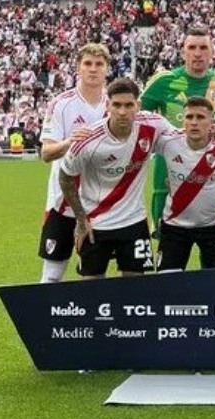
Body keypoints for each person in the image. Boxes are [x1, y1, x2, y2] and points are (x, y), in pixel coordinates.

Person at [59, 78, 173, 280]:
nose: (122, 111)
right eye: (117, 105)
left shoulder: (154, 125)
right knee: (92, 284)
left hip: (134, 221)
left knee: (135, 285)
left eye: (128, 105)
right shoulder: (88, 140)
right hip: (96, 223)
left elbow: (182, 139)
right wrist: (81, 220)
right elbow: (65, 177)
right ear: (107, 106)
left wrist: (214, 133)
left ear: (138, 106)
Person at [141, 27, 215, 239]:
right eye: (192, 47)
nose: (197, 53)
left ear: (212, 52)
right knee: (168, 244)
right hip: (168, 174)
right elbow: (137, 117)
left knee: (212, 239)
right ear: (183, 51)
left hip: (209, 172)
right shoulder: (163, 81)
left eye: (203, 47)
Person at [36, 43, 109, 283]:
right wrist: (70, 142)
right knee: (53, 273)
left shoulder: (115, 105)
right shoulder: (61, 104)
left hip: (100, 201)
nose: (93, 69)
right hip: (63, 201)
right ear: (78, 68)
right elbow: (46, 153)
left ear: (107, 69)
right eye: (88, 63)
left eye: (99, 64)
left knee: (95, 273)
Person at [155, 96, 215, 272]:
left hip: (213, 226)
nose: (194, 122)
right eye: (189, 117)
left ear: (212, 121)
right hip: (174, 226)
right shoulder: (167, 142)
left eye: (200, 117)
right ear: (183, 120)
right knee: (167, 281)